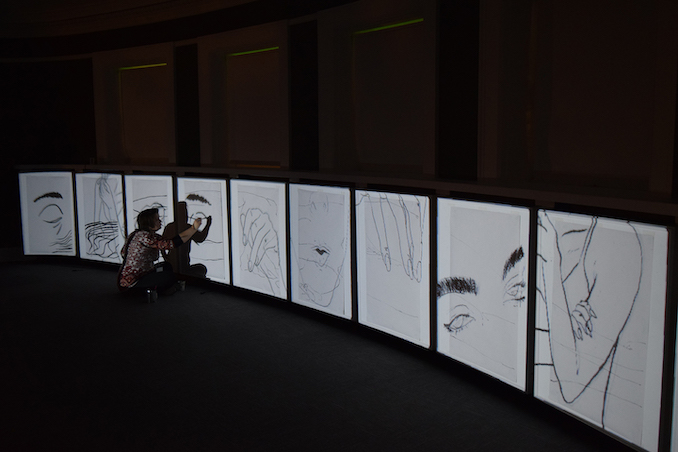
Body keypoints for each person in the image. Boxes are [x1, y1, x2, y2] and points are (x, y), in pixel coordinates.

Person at [117, 208, 202, 300]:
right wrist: (193, 228)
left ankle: (158, 288)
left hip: (124, 279)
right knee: (170, 276)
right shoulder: (146, 237)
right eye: (157, 219)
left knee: (166, 266)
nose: (160, 221)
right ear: (149, 224)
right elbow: (171, 243)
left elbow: (123, 253)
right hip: (133, 283)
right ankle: (150, 291)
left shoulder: (135, 234)